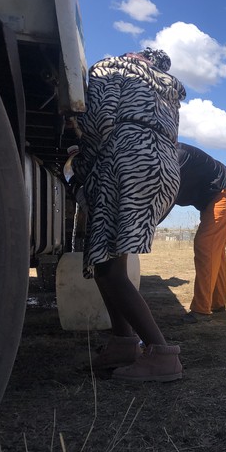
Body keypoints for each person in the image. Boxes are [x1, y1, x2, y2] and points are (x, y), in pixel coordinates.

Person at [73, 48, 185, 382]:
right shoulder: (166, 88)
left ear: (134, 55)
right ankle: (122, 342)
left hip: (126, 160)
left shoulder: (115, 67)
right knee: (112, 260)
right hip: (163, 167)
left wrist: (80, 163)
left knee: (108, 268)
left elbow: (100, 121)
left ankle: (162, 354)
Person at [173, 142, 226, 324]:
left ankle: (201, 310)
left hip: (224, 190)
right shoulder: (164, 156)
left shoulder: (176, 157)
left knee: (205, 244)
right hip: (212, 196)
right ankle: (217, 302)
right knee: (215, 249)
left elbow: (164, 199)